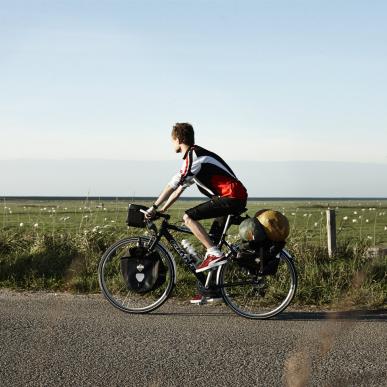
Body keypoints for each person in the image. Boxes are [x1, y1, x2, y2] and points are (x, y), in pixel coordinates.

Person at [144, 123, 248, 303]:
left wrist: (153, 207)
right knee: (211, 243)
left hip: (231, 197)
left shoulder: (194, 155)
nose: (172, 144)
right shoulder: (194, 158)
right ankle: (212, 291)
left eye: (172, 140)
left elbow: (173, 185)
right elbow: (179, 189)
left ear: (179, 139)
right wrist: (162, 210)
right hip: (232, 198)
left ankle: (214, 254)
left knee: (188, 217)